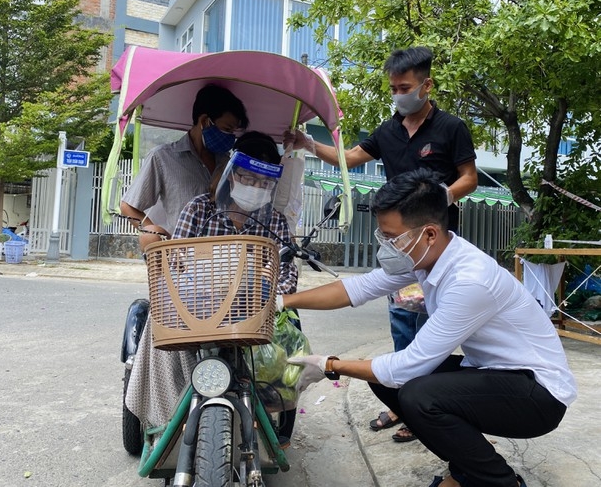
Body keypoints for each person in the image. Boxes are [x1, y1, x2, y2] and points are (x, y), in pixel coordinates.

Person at [280, 169, 576, 487]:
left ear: (430, 233)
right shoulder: (426, 256)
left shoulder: (468, 280)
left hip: (539, 395)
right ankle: (468, 465)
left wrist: (330, 366)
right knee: (384, 382)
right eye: (383, 236)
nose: (386, 246)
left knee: (418, 394)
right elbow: (358, 289)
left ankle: (500, 481)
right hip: (498, 373)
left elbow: (408, 367)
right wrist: (281, 301)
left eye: (391, 238)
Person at [283, 46, 478, 441]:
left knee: (431, 326)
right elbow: (349, 157)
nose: (397, 94)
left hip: (432, 247)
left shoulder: (451, 127)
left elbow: (469, 177)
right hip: (398, 248)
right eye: (392, 88)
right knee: (403, 321)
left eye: (404, 87)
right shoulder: (388, 131)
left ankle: (428, 407)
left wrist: (439, 199)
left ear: (427, 85)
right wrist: (306, 143)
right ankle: (402, 404)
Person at [125, 131, 300, 445]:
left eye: (264, 183)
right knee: (159, 322)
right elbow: (176, 263)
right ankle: (167, 418)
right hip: (198, 306)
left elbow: (286, 275)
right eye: (248, 178)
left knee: (292, 330)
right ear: (232, 176)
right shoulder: (199, 209)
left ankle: (277, 420)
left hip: (253, 310)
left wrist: (269, 289)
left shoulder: (275, 221)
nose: (255, 187)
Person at [120, 83, 249, 251]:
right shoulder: (163, 157)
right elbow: (128, 206)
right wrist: (158, 237)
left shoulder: (228, 163)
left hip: (222, 260)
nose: (230, 137)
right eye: (226, 129)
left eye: (233, 132)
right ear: (204, 121)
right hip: (180, 259)